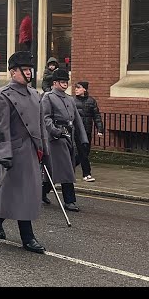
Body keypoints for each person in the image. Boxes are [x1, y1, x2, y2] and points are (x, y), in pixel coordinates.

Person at [0, 50, 50, 254]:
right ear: (13, 72)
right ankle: (27, 237)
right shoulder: (3, 95)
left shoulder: (35, 94)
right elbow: (0, 128)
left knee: (22, 193)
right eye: (24, 70)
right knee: (19, 193)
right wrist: (4, 153)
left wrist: (44, 148)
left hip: (31, 150)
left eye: (30, 69)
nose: (29, 73)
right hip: (14, 151)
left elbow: (40, 124)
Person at [41, 68, 89, 211]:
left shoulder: (69, 99)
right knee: (66, 169)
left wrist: (84, 139)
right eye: (62, 82)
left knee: (55, 170)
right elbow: (45, 118)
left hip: (69, 136)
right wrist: (56, 131)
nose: (65, 84)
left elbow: (78, 121)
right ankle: (69, 201)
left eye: (66, 82)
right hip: (55, 138)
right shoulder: (48, 97)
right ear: (54, 83)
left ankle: (41, 191)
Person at [73, 80, 104, 182]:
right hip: (76, 131)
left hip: (87, 131)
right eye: (76, 88)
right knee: (82, 152)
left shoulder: (91, 101)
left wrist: (100, 129)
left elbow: (97, 116)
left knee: (85, 152)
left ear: (84, 89)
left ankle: (69, 167)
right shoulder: (72, 101)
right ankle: (87, 174)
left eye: (78, 87)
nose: (76, 90)